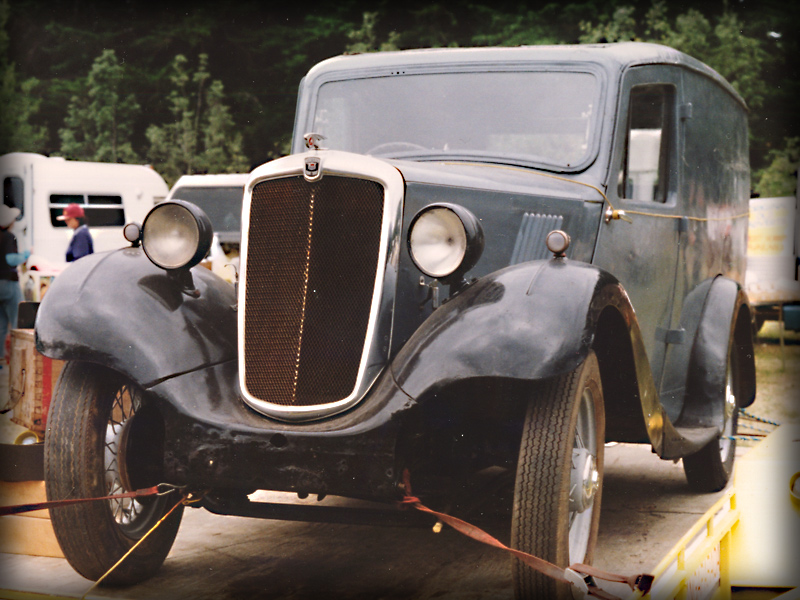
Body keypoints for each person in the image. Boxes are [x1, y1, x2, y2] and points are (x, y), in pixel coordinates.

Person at [1, 204, 29, 368]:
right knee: (18, 322)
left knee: (1, 325)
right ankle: (20, 359)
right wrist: (25, 255)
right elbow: (11, 260)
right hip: (8, 282)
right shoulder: (9, 237)